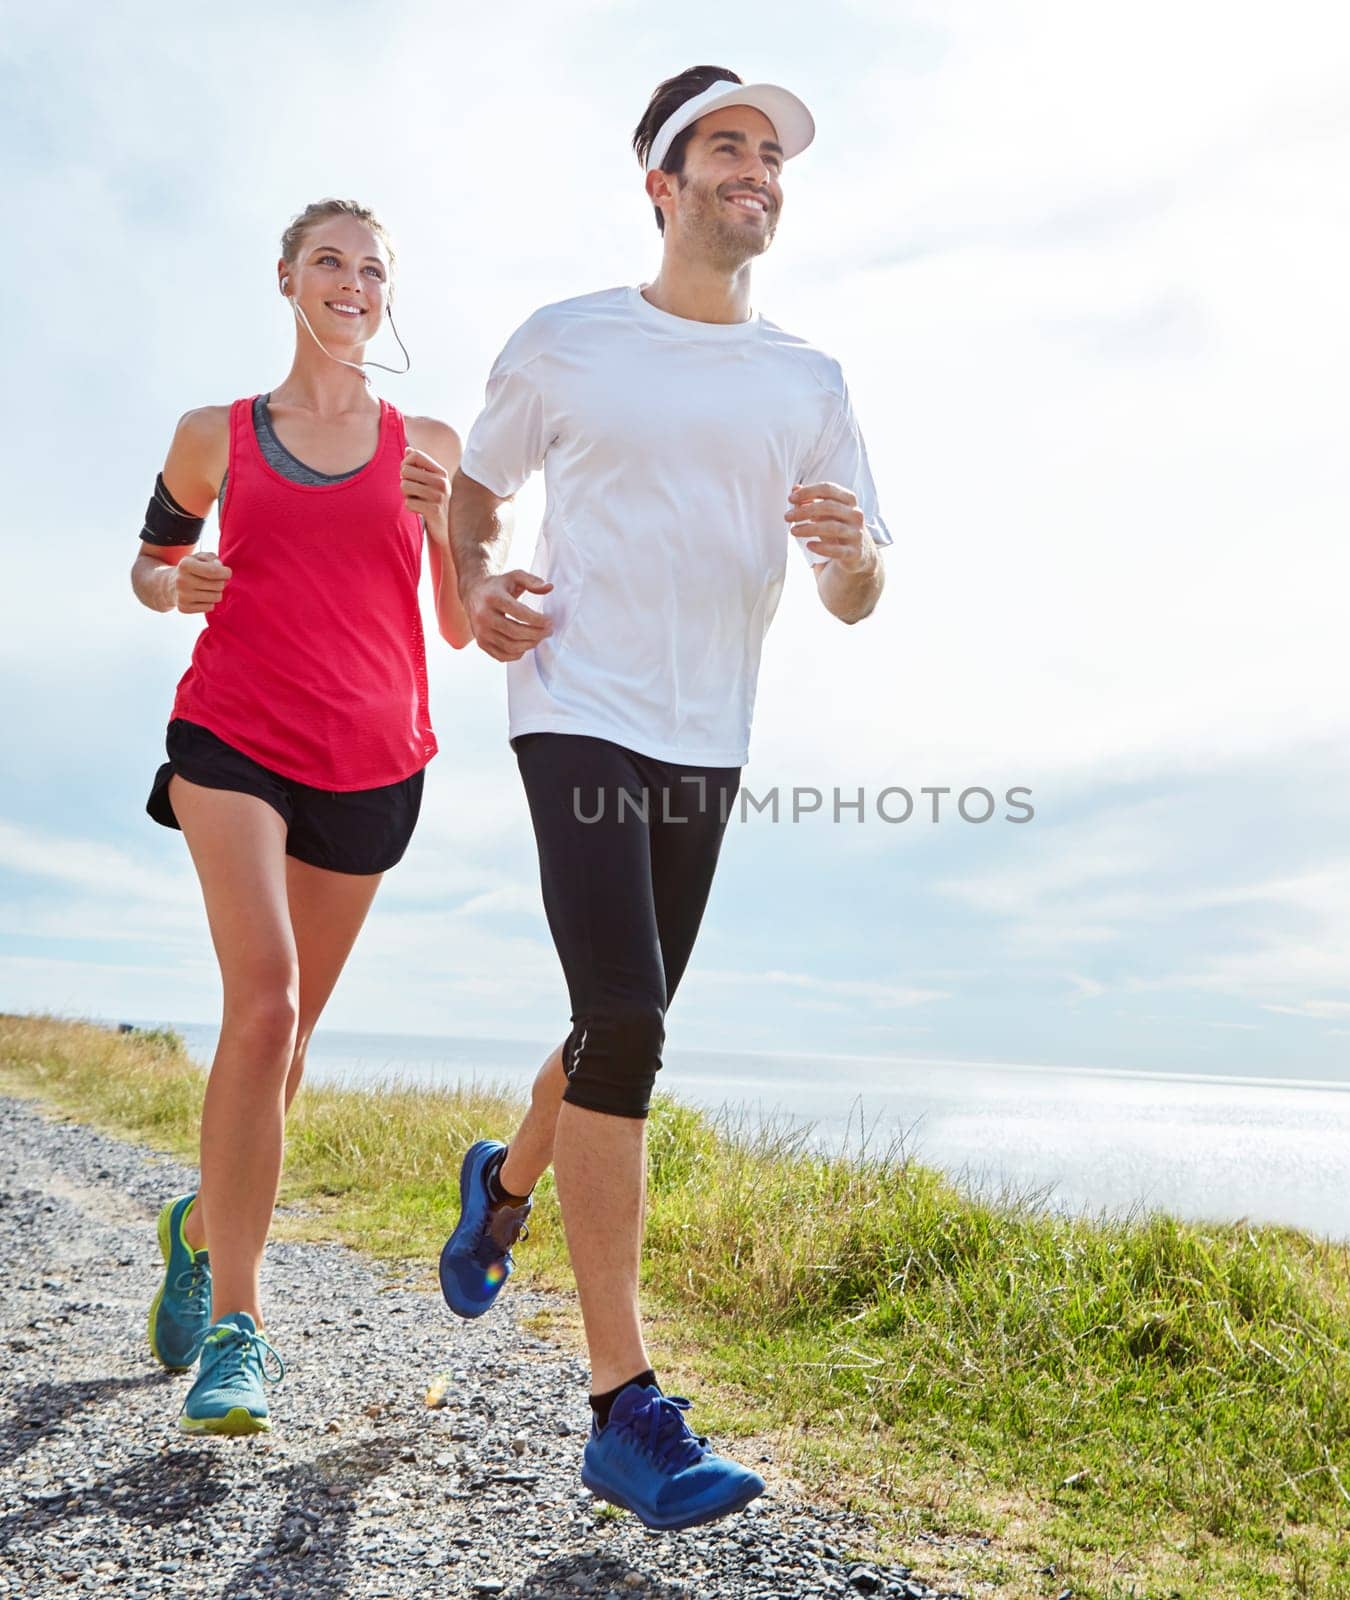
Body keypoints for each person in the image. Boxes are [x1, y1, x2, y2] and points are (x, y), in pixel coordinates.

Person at [437, 66, 893, 1529]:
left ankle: (502, 1185)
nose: (756, 168)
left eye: (772, 153)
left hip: (712, 736)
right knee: (629, 1016)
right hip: (575, 705)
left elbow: (861, 587)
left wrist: (843, 549)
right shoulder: (568, 341)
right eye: (726, 147)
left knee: (610, 1023)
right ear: (663, 183)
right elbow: (471, 491)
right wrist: (474, 594)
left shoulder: (807, 380)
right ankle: (624, 1410)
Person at [133, 198, 471, 1434]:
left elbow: (461, 624)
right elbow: (148, 561)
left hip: (372, 759)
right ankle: (241, 1325)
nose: (351, 281)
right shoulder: (214, 434)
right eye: (328, 261)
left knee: (291, 1039)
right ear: (286, 279)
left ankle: (195, 1221)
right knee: (263, 998)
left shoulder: (427, 437)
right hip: (233, 733)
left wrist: (442, 525)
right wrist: (178, 585)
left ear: (388, 296)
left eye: (371, 268)